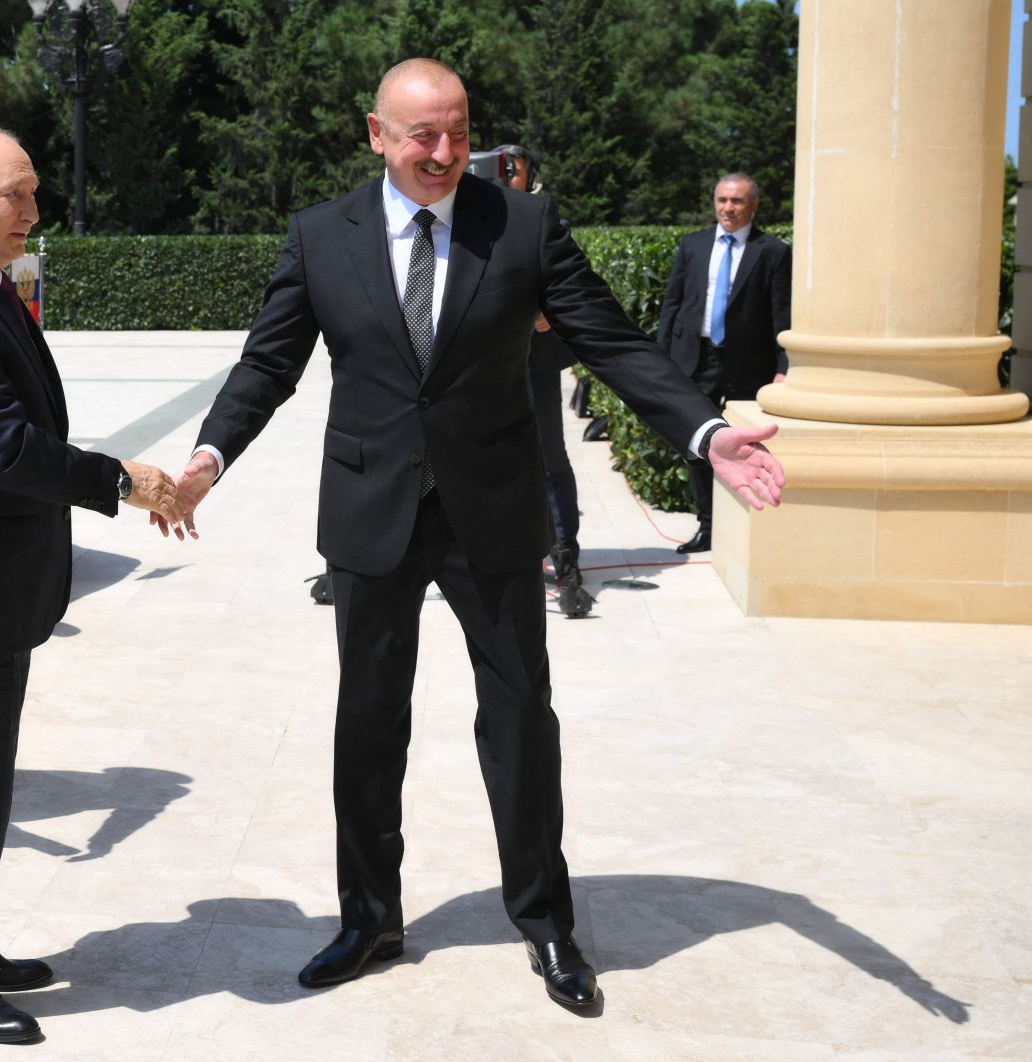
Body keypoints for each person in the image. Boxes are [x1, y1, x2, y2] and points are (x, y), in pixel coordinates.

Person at [168, 59, 784, 1009]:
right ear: (375, 133)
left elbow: (611, 340)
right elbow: (267, 364)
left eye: (458, 132)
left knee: (521, 722)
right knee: (368, 726)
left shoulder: (524, 224)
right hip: (372, 513)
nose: (445, 153)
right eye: (422, 135)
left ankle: (546, 923)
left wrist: (705, 431)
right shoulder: (320, 235)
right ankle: (368, 917)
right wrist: (208, 461)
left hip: (491, 511)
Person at [0, 126, 185, 1045]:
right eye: (16, 194)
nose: (34, 211)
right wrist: (119, 480)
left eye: (34, 193)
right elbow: (7, 450)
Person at [655, 173, 792, 553]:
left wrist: (784, 367)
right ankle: (708, 528)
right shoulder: (693, 245)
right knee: (698, 446)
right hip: (694, 360)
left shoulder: (774, 252)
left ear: (753, 205)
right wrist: (663, 357)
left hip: (747, 367)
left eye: (737, 201)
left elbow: (783, 316)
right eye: (722, 200)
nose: (728, 208)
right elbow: (673, 305)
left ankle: (746, 532)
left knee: (746, 449)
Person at [504, 143, 589, 617]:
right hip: (473, 367)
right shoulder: (459, 215)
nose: (504, 175)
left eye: (511, 169)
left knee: (549, 460)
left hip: (532, 365)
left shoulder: (548, 224)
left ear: (530, 176)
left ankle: (566, 558)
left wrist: (549, 314)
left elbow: (572, 290)